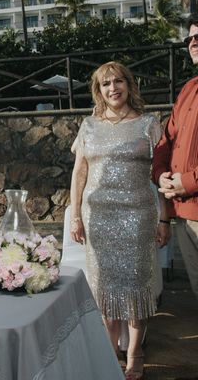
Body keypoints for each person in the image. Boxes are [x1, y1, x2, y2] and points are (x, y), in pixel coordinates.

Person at [69, 61, 169, 380]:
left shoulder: (149, 124)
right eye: (105, 83)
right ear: (98, 91)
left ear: (129, 85)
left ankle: (135, 353)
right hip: (97, 217)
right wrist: (75, 216)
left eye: (118, 81)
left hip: (138, 216)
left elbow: (162, 174)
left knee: (137, 288)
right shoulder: (89, 126)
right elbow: (79, 173)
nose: (113, 88)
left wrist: (164, 218)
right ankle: (109, 352)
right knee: (104, 289)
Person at [153, 14, 198, 301]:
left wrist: (188, 182)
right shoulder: (188, 89)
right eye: (190, 38)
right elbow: (166, 141)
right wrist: (161, 175)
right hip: (184, 213)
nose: (193, 42)